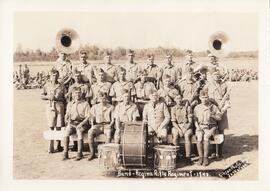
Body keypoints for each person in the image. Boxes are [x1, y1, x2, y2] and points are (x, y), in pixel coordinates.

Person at [194, 90, 230, 166]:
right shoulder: (197, 107)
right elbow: (195, 119)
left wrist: (213, 115)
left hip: (211, 127)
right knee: (199, 137)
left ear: (208, 98)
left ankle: (206, 158)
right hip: (201, 126)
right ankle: (201, 157)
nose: (204, 99)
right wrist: (197, 127)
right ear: (200, 98)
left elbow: (219, 117)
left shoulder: (213, 107)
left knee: (206, 137)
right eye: (203, 97)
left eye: (206, 97)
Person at [205, 70, 231, 158]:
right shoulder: (208, 85)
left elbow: (227, 98)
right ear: (212, 76)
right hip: (212, 109)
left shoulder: (224, 85)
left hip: (222, 111)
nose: (217, 76)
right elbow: (204, 96)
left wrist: (225, 107)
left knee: (221, 130)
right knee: (212, 130)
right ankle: (212, 151)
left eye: (218, 75)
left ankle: (220, 151)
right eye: (215, 75)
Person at [41, 68, 66, 153]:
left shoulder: (61, 85)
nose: (54, 77)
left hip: (59, 105)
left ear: (58, 76)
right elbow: (41, 96)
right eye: (52, 75)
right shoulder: (47, 85)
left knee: (59, 126)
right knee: (51, 126)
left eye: (56, 75)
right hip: (50, 106)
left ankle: (58, 146)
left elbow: (65, 97)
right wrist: (48, 97)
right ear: (50, 76)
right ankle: (50, 146)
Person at [62, 87, 91, 161]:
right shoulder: (70, 104)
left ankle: (79, 153)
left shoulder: (85, 103)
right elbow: (67, 115)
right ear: (73, 94)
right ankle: (65, 153)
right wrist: (67, 120)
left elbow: (88, 116)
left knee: (79, 131)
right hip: (73, 123)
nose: (77, 94)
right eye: (76, 93)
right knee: (67, 132)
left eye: (79, 93)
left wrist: (81, 124)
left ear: (81, 94)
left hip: (83, 123)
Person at [87, 92, 115, 160]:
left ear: (106, 99)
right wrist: (92, 125)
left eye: (104, 98)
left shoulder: (111, 107)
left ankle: (106, 154)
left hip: (107, 125)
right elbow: (91, 117)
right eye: (101, 98)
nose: (102, 100)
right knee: (90, 132)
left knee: (108, 133)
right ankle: (92, 153)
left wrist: (110, 125)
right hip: (98, 125)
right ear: (98, 99)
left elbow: (113, 119)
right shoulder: (95, 107)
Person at [171, 95, 193, 164]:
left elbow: (190, 122)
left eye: (180, 98)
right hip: (177, 126)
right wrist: (180, 130)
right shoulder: (173, 109)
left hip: (187, 126)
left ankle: (188, 157)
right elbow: (173, 122)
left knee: (187, 136)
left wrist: (185, 129)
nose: (179, 100)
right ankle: (176, 156)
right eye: (177, 98)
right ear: (175, 100)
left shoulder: (187, 108)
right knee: (175, 135)